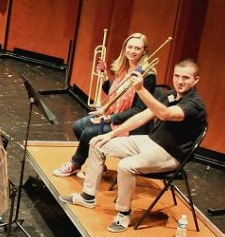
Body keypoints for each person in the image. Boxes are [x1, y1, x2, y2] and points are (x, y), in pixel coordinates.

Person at [60, 58, 207, 233]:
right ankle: (88, 196)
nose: (180, 81)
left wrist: (141, 89)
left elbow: (166, 114)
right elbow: (143, 116)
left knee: (125, 166)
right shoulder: (171, 95)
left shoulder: (194, 104)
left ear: (195, 80)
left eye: (186, 78)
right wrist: (110, 134)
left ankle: (123, 213)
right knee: (97, 143)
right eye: (177, 76)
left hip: (170, 155)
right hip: (149, 141)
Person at [53, 33, 156, 177]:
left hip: (129, 124)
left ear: (144, 51)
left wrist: (110, 118)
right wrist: (104, 78)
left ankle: (75, 164)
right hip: (113, 115)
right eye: (130, 47)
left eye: (137, 48)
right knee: (78, 126)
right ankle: (98, 165)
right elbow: (115, 95)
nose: (132, 51)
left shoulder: (147, 75)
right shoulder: (124, 68)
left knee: (88, 132)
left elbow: (138, 110)